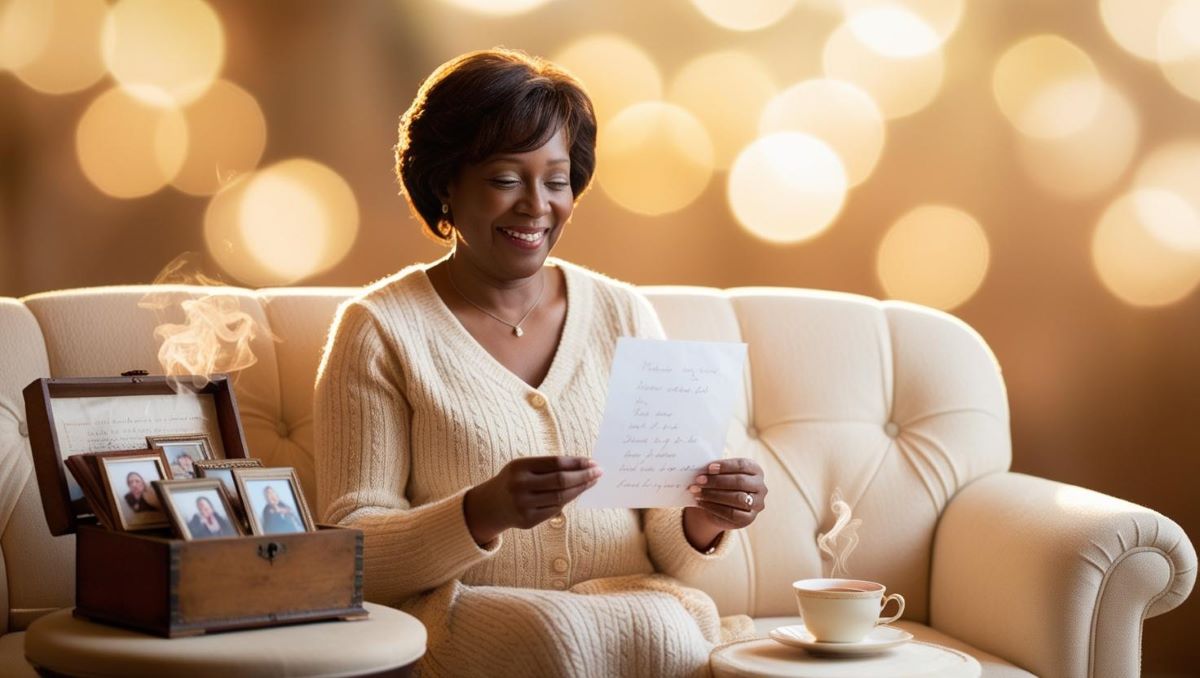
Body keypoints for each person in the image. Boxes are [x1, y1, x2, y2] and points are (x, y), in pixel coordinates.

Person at [314, 48, 769, 677]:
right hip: (468, 614)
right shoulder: (380, 330)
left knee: (666, 633)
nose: (536, 205)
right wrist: (481, 512)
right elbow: (351, 551)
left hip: (636, 606)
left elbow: (672, 544)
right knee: (552, 639)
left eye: (556, 181)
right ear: (446, 182)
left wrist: (705, 516)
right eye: (506, 179)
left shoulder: (625, 314)